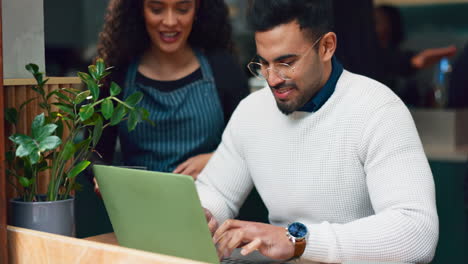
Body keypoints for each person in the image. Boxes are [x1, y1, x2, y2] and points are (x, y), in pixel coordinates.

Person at [195, 0, 438, 263]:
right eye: (263, 63)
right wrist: (203, 214)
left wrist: (297, 240)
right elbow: (217, 192)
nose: (273, 78)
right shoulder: (251, 111)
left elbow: (416, 231)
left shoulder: (378, 109)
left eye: (286, 62)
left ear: (326, 47)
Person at [94, 0, 249, 179]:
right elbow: (92, 154)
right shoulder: (117, 73)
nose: (170, 21)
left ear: (197, 8)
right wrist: (102, 178)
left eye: (182, 10)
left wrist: (217, 160)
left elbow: (250, 148)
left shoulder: (223, 69)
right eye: (156, 9)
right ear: (140, 10)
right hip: (137, 203)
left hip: (207, 204)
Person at [374, 4, 457, 105]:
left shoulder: (402, 58)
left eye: (375, 22)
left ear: (391, 26)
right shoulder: (370, 60)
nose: (368, 27)